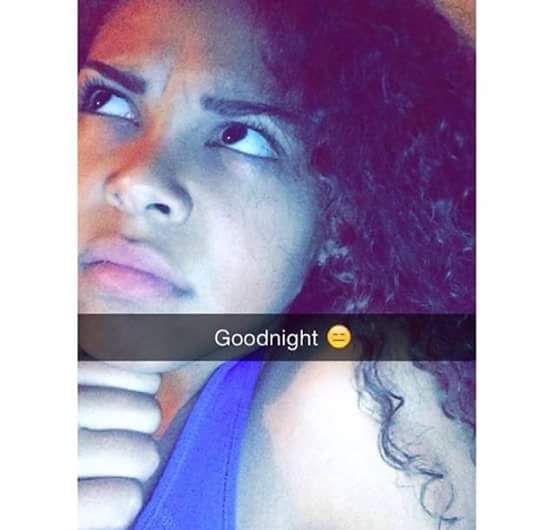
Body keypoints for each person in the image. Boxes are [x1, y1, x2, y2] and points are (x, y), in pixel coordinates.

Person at [78, 0, 475, 528]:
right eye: (106, 101)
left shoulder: (358, 405)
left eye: (241, 136)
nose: (138, 180)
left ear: (340, 217)